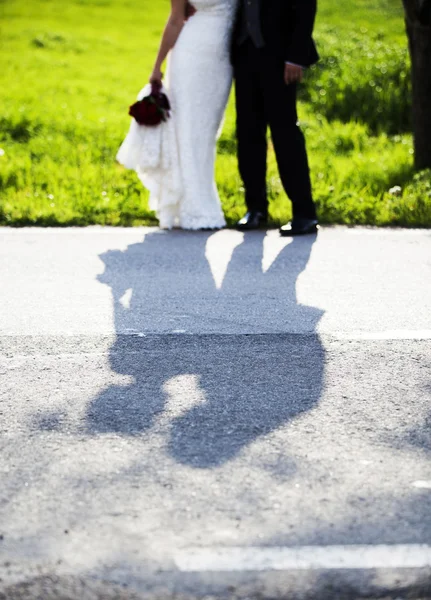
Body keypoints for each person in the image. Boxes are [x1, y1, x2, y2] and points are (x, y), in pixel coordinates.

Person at [118, 0, 238, 230]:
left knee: (207, 132)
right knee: (188, 130)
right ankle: (192, 206)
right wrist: (157, 67)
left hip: (222, 61)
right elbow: (175, 19)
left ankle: (201, 200)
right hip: (191, 55)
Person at [232, 0, 320, 236]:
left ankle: (304, 213)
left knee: (285, 134)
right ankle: (255, 209)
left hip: (281, 58)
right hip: (244, 54)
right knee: (247, 133)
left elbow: (305, 7)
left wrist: (296, 57)